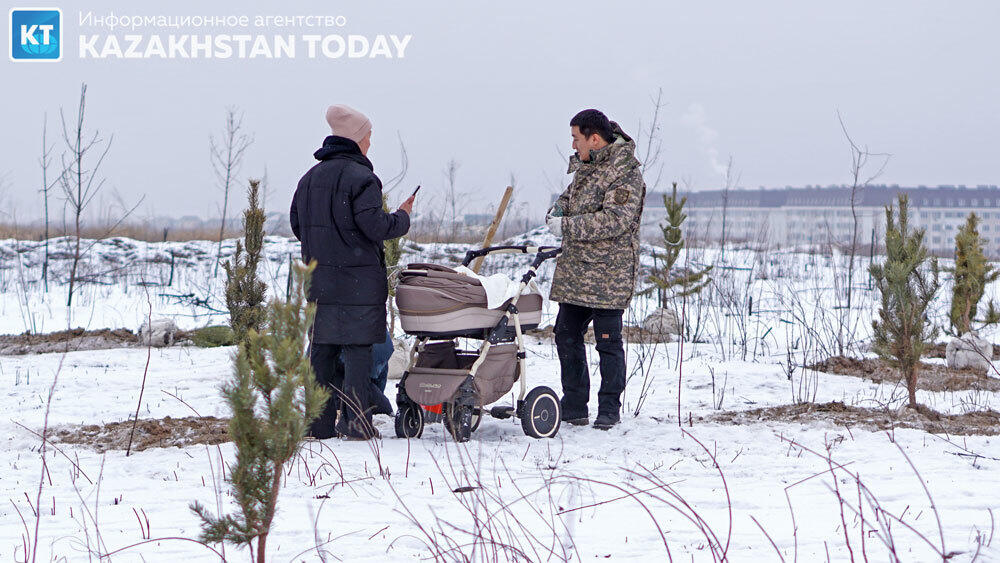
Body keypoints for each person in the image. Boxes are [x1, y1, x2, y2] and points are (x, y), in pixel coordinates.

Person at [290, 104, 414, 440]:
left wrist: (326, 247)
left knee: (322, 353)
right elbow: (375, 226)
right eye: (369, 137)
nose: (370, 144)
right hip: (359, 286)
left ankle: (318, 424)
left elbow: (298, 226)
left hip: (321, 284)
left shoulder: (309, 179)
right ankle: (357, 422)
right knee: (359, 353)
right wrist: (402, 217)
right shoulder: (363, 179)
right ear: (357, 139)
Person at [545, 109, 646, 430]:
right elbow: (565, 201)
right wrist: (558, 212)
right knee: (566, 335)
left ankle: (609, 408)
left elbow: (615, 220)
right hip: (576, 273)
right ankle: (574, 405)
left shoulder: (625, 174)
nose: (573, 145)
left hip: (608, 275)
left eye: (576, 138)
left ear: (595, 138)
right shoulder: (585, 169)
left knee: (607, 342)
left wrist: (566, 226)